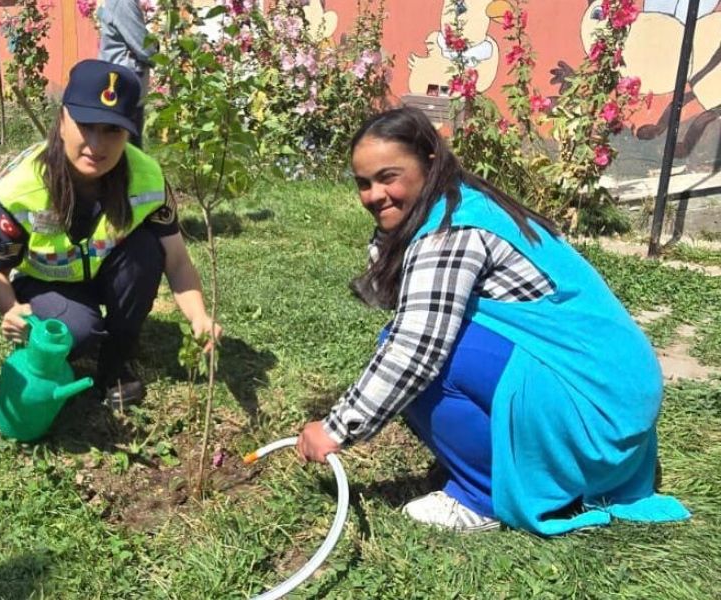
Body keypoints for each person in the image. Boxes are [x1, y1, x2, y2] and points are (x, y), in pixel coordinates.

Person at [296, 107, 690, 536]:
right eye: (363, 183)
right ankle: (531, 465)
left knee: (418, 354)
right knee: (425, 343)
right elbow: (394, 294)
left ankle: (484, 496)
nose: (374, 195)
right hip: (616, 399)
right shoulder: (461, 200)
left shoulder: (450, 233)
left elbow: (414, 350)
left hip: (599, 414)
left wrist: (336, 429)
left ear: (429, 162)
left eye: (388, 177)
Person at [0, 59, 219, 409]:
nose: (97, 144)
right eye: (86, 125)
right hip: (44, 282)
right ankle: (77, 335)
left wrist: (199, 317)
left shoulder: (146, 178)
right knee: (77, 334)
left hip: (107, 271)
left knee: (147, 250)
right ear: (61, 122)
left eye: (112, 130)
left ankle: (117, 360)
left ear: (128, 133)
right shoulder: (22, 187)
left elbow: (178, 261)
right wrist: (12, 309)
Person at [98, 0, 156, 147]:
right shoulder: (123, 2)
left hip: (124, 88)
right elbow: (146, 49)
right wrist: (157, 46)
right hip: (125, 90)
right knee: (128, 154)